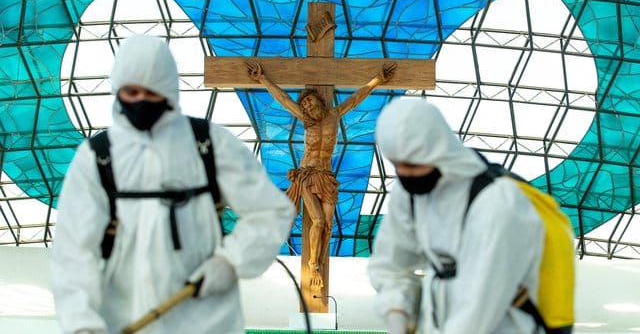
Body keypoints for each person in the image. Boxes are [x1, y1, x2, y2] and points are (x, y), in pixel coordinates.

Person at [51, 35, 295, 334]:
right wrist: (82, 324)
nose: (140, 100)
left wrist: (230, 261)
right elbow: (73, 249)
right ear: (117, 90)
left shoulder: (208, 144)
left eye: (151, 93)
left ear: (168, 91)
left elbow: (271, 211)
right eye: (131, 91)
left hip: (208, 321)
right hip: (125, 319)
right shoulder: (97, 157)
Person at [367, 99, 545, 333]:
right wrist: (396, 310)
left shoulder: (497, 201)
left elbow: (481, 303)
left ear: (437, 150)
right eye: (396, 164)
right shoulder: (409, 193)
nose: (404, 173)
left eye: (413, 164)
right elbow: (391, 263)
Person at [246, 60, 396, 288]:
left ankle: (317, 263)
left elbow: (356, 99)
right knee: (316, 220)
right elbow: (284, 100)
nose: (306, 106)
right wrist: (262, 79)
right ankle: (313, 265)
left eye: (309, 101)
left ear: (319, 100)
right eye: (304, 104)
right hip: (307, 175)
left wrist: (378, 80)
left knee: (327, 225)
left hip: (326, 177)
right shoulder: (306, 121)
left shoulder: (334, 115)